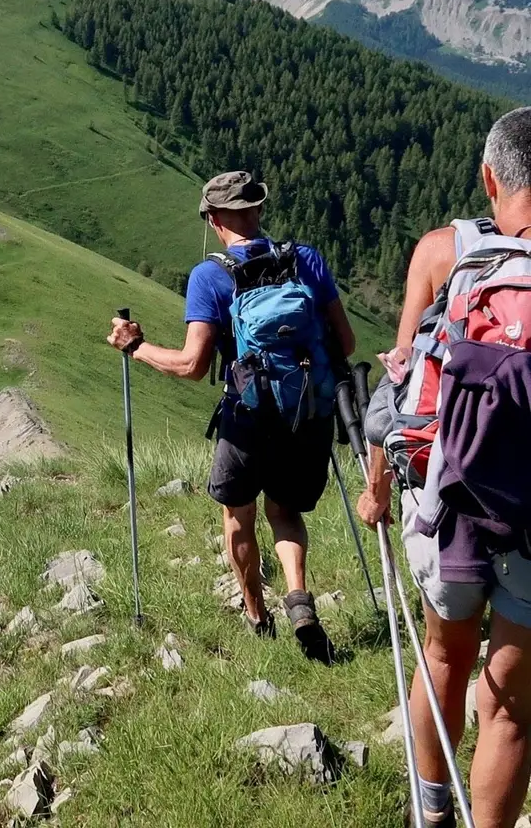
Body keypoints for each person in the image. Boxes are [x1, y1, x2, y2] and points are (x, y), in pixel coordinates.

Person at [358, 107, 531, 828]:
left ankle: (432, 813)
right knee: (514, 705)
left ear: (490, 177)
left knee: (445, 658)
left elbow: (402, 385)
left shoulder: (443, 253)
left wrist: (375, 491)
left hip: (451, 498)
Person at [107, 170, 355, 661]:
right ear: (257, 209)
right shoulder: (305, 259)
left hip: (247, 420)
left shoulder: (210, 276)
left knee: (237, 516)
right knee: (284, 512)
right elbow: (345, 343)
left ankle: (257, 617)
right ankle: (299, 598)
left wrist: (135, 347)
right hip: (307, 414)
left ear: (214, 218)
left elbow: (192, 365)